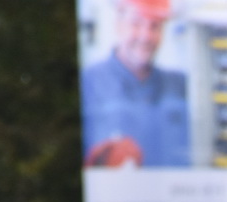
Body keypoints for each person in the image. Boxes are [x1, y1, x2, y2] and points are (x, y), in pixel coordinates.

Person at [81, 0, 190, 168]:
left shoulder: (182, 86)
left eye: (154, 26)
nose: (146, 36)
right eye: (136, 23)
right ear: (118, 25)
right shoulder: (88, 84)